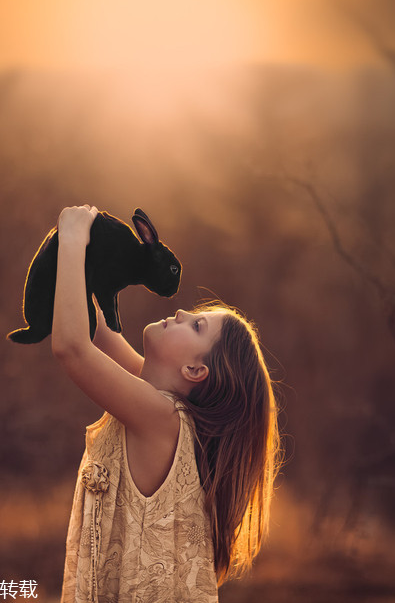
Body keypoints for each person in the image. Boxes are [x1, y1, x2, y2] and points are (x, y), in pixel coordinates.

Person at [52, 205, 281, 602]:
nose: (180, 311)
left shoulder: (161, 418)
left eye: (196, 325)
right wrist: (91, 249)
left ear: (194, 370)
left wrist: (72, 237)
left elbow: (73, 347)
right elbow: (96, 327)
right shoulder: (155, 400)